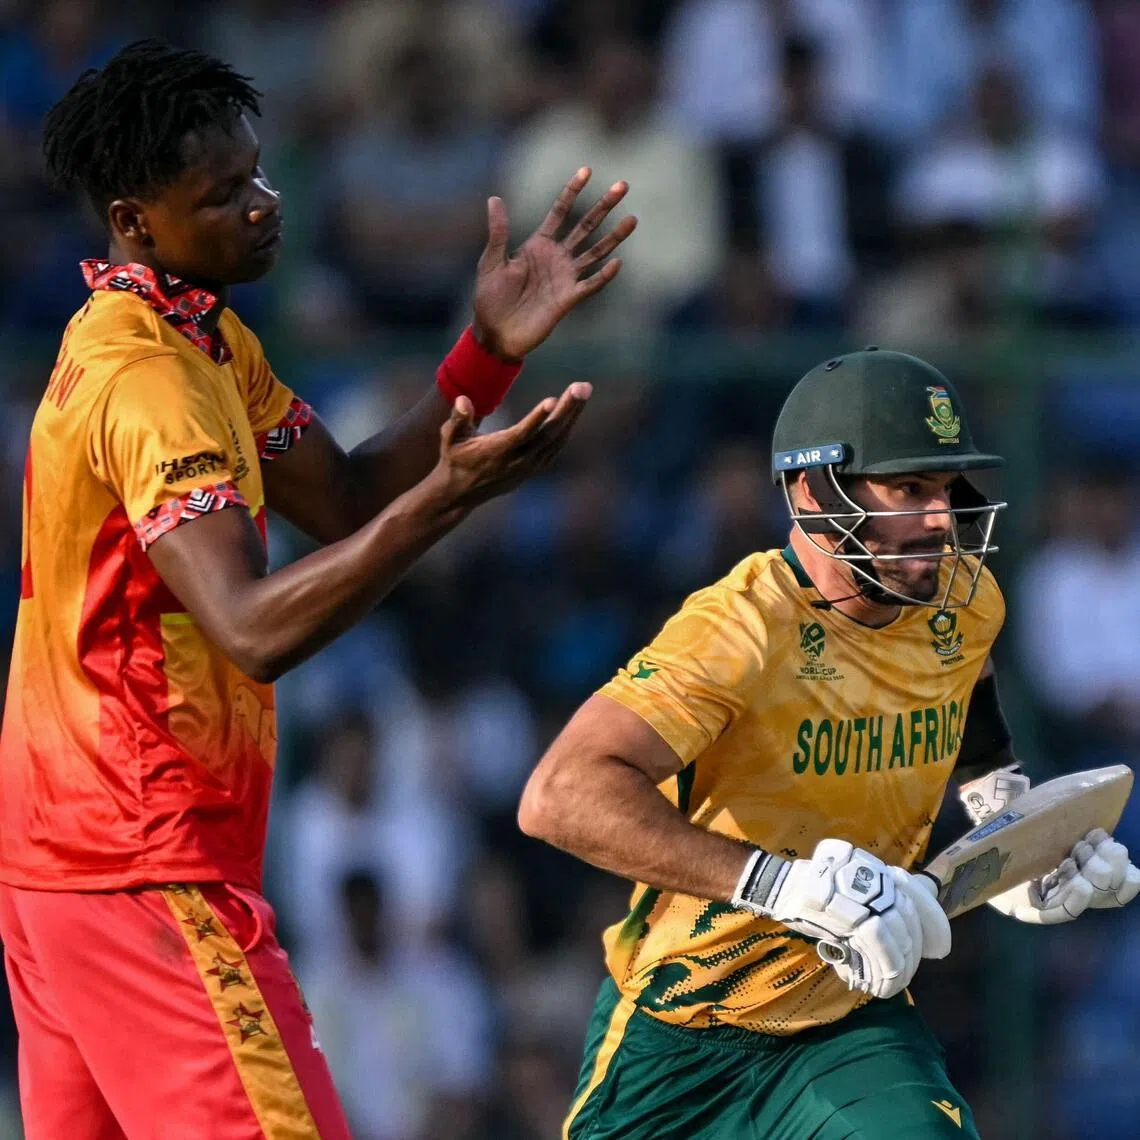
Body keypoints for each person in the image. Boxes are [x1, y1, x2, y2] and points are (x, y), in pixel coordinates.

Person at [0, 38, 636, 1140]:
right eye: (226, 192)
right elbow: (250, 629)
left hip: (67, 872)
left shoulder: (196, 338)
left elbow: (340, 499)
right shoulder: (149, 380)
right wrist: (444, 504)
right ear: (135, 220)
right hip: (149, 869)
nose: (264, 204)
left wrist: (482, 354)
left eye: (259, 173)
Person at [519, 348, 1140, 1139]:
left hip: (847, 1017)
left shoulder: (965, 601)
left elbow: (976, 740)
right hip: (680, 1027)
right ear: (816, 490)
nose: (942, 520)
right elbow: (558, 796)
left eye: (946, 489)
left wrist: (1016, 855)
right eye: (909, 489)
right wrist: (781, 886)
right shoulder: (739, 628)